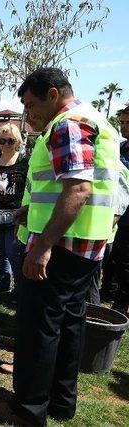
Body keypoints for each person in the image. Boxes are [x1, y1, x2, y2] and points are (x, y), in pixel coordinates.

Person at [0, 68, 120, 426]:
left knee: (39, 326)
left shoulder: (67, 124)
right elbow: (97, 184)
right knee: (70, 322)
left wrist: (43, 245)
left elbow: (78, 188)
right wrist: (31, 209)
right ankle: (62, 403)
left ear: (52, 94)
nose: (28, 114)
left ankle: (29, 411)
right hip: (89, 244)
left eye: (31, 105)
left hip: (60, 244)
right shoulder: (97, 121)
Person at [0, 124, 27, 294]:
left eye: (11, 140)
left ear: (17, 142)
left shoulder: (24, 162)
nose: (7, 144)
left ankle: (19, 289)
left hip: (16, 214)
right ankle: (4, 282)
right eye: (3, 140)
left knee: (13, 252)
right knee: (0, 253)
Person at [110, 106, 129, 315]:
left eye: (127, 123)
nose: (123, 127)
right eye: (122, 122)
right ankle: (116, 294)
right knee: (117, 260)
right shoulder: (120, 148)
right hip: (116, 214)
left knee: (125, 262)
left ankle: (122, 304)